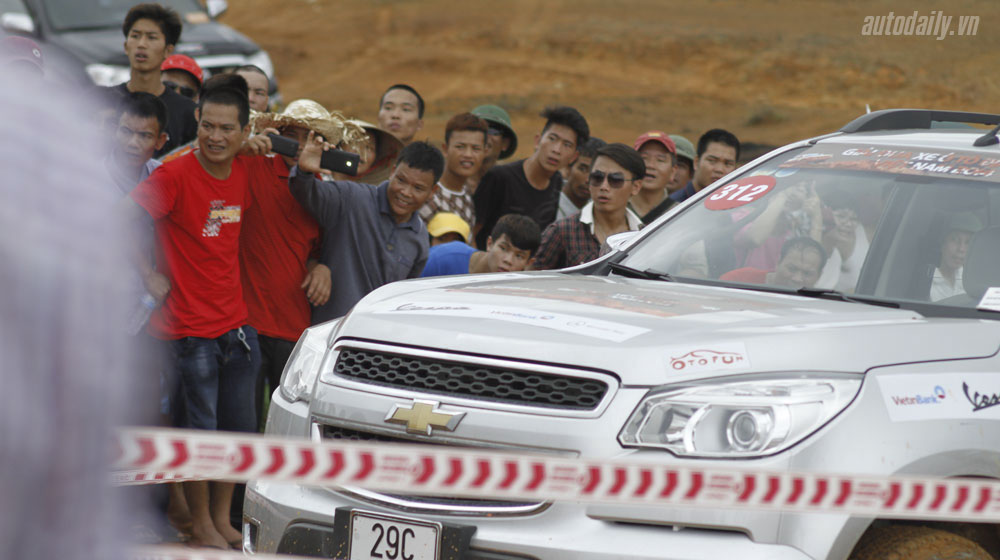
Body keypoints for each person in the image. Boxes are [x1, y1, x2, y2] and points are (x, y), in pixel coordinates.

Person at [119, 74, 258, 550]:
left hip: (236, 326)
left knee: (238, 429)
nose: (215, 137)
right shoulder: (173, 176)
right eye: (207, 126)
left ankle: (220, 518)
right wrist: (146, 274)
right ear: (196, 121)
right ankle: (198, 523)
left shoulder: (245, 169)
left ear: (243, 132)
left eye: (227, 128)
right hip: (187, 330)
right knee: (199, 431)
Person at [240, 99, 361, 425]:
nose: (301, 145)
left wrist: (322, 265)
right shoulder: (251, 167)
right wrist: (245, 145)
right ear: (277, 133)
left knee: (287, 423)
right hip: (246, 323)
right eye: (292, 135)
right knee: (244, 424)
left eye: (311, 138)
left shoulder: (323, 192)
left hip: (294, 325)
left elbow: (324, 247)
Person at [290, 134, 445, 323]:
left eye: (418, 188)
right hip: (330, 330)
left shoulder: (420, 239)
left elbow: (402, 297)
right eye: (401, 180)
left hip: (375, 334)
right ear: (392, 172)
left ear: (433, 192)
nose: (405, 192)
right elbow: (306, 192)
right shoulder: (352, 197)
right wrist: (304, 172)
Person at [473, 105, 589, 249]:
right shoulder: (499, 177)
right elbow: (472, 232)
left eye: (567, 145)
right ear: (537, 141)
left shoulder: (557, 181)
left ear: (574, 157)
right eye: (552, 139)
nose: (556, 150)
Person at [532, 143, 644, 270]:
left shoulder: (644, 237)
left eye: (615, 180)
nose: (604, 187)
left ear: (636, 187)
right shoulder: (562, 232)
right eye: (597, 177)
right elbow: (533, 278)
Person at [106, 3, 197, 158]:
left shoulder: (188, 113)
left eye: (151, 37)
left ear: (168, 50)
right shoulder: (102, 100)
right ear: (126, 46)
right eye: (135, 36)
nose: (141, 44)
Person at [419, 112, 487, 228]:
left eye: (476, 148)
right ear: (445, 149)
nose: (468, 154)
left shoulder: (467, 194)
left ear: (484, 153)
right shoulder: (428, 195)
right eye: (460, 147)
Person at [422, 214, 541, 277]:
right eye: (503, 248)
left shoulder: (519, 293)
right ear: (489, 243)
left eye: (519, 256)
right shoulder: (443, 258)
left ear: (528, 263)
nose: (508, 260)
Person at [815, 190, 869, 293]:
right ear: (824, 216)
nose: (848, 224)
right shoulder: (808, 245)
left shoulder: (860, 233)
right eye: (841, 216)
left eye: (853, 219)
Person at [721, 236, 827, 288]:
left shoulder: (824, 303)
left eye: (807, 273)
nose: (797, 279)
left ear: (819, 276)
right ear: (778, 262)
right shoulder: (739, 280)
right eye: (792, 269)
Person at [670, 128, 739, 203]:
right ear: (696, 162)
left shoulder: (739, 204)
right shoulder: (676, 206)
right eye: (712, 161)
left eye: (728, 164)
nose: (719, 169)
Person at [930, 213, 982, 301]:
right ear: (942, 243)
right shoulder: (926, 283)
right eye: (954, 239)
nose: (961, 249)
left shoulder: (973, 283)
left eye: (968, 242)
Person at [629, 131, 678, 224]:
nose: (651, 165)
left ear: (673, 172)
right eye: (644, 158)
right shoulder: (616, 207)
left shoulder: (679, 214)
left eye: (660, 160)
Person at [468, 104, 518, 191]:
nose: (485, 135)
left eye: (494, 130)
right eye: (478, 128)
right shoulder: (446, 183)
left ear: (505, 143)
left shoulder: (511, 189)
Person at [340, 119, 404, 184]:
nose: (361, 152)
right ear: (339, 145)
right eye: (355, 143)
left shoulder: (370, 190)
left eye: (368, 148)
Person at [557, 137, 606, 220]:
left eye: (597, 174)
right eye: (582, 169)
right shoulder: (546, 204)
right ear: (568, 168)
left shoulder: (602, 211)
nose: (588, 180)